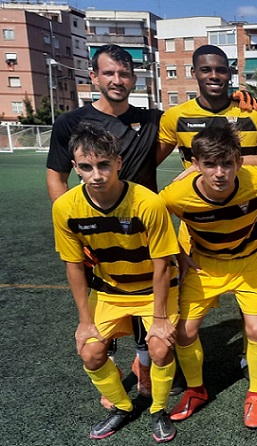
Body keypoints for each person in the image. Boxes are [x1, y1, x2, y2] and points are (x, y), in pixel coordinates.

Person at [157, 44, 257, 374]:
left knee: (255, 319)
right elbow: (148, 168)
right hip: (196, 230)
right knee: (180, 319)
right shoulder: (175, 117)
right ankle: (163, 365)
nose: (214, 76)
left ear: (231, 74)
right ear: (194, 74)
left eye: (221, 70)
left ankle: (253, 358)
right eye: (206, 70)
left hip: (243, 222)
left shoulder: (252, 116)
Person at [46, 44, 160, 405]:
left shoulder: (151, 120)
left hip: (140, 227)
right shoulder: (70, 123)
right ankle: (109, 367)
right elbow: (56, 176)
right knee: (102, 301)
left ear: (133, 78)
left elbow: (195, 123)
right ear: (93, 76)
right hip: (95, 234)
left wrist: (238, 106)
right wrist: (76, 230)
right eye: (109, 73)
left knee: (145, 300)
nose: (117, 80)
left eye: (124, 73)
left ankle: (143, 367)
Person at [51, 123, 179, 442]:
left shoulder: (148, 203)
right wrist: (84, 322)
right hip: (110, 291)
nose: (97, 174)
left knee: (160, 347)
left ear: (118, 163)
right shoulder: (65, 208)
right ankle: (122, 407)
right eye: (86, 167)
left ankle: (158, 410)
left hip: (153, 290)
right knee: (90, 351)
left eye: (104, 164)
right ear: (75, 168)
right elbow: (74, 266)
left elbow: (163, 264)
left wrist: (161, 318)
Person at [159, 125, 257, 428]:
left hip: (249, 263)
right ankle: (196, 390)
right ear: (194, 165)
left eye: (227, 163)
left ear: (238, 161)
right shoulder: (176, 195)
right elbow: (152, 222)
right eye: (210, 164)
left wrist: (254, 160)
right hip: (204, 265)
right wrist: (178, 254)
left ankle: (255, 394)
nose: (220, 173)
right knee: (184, 332)